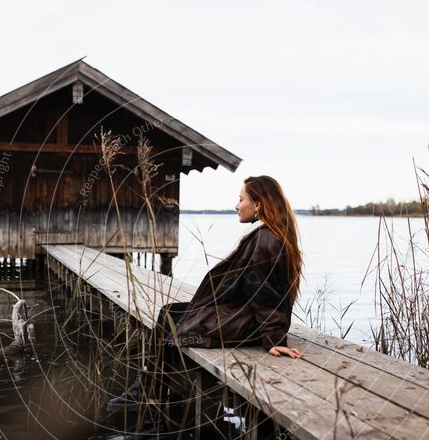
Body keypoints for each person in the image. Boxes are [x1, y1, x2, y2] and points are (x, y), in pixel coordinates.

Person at [109, 175, 303, 410]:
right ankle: (150, 390)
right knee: (169, 313)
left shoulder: (265, 240)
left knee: (174, 322)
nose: (236, 205)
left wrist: (273, 338)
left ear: (259, 204)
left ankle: (149, 392)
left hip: (250, 323)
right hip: (245, 315)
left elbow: (265, 294)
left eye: (241, 199)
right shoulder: (267, 235)